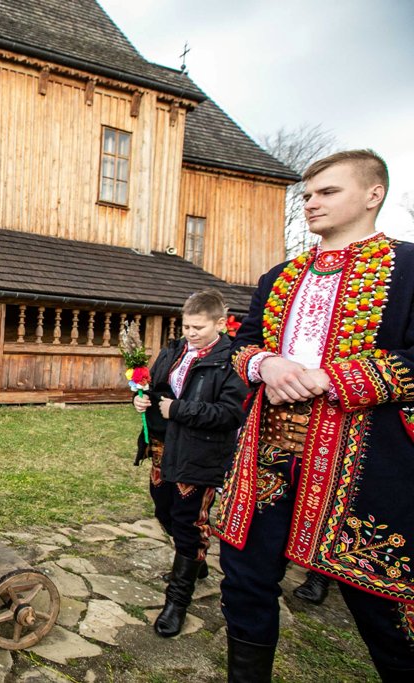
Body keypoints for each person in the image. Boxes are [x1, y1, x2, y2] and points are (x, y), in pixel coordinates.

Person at [215, 150, 414, 681]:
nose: (311, 203)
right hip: (268, 456)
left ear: (373, 194)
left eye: (328, 192)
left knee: (382, 597)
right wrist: (266, 364)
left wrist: (335, 378)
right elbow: (243, 343)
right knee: (245, 580)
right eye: (307, 195)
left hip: (364, 461)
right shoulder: (278, 277)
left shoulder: (409, 268)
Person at [132, 290, 247, 637]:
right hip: (163, 445)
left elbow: (231, 413)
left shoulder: (233, 360)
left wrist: (179, 409)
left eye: (199, 327)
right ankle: (195, 561)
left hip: (201, 453)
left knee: (187, 523)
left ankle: (177, 601)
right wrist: (141, 399)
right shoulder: (173, 350)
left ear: (220, 323)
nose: (191, 333)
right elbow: (155, 388)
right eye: (186, 326)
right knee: (163, 510)